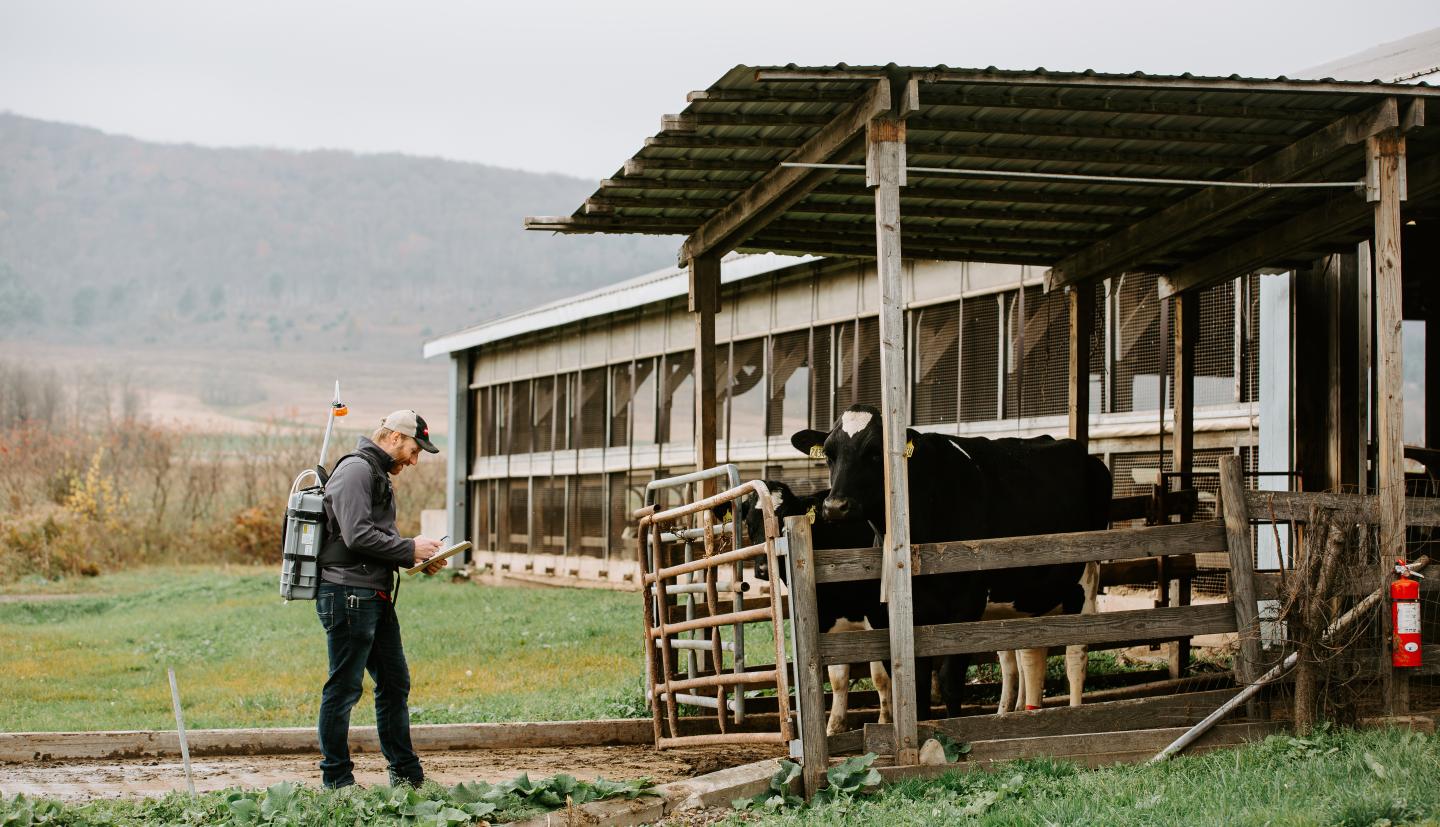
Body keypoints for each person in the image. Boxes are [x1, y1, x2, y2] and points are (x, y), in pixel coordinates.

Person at [315, 409, 446, 789]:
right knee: (344, 688)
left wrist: (416, 557)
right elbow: (356, 536)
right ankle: (337, 783)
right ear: (392, 438)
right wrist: (408, 547)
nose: (414, 459)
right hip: (348, 594)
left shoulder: (376, 474)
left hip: (373, 592)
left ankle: (407, 778)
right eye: (413, 449)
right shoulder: (356, 470)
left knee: (394, 683)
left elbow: (371, 539)